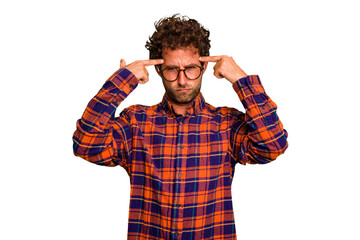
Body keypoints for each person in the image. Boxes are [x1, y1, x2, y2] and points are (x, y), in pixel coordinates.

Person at [72, 14, 288, 240]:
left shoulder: (226, 124)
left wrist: (241, 81)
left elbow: (273, 145)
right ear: (158, 70)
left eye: (191, 68)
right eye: (172, 70)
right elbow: (85, 145)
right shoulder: (135, 123)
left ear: (204, 67)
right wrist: (119, 83)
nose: (183, 80)